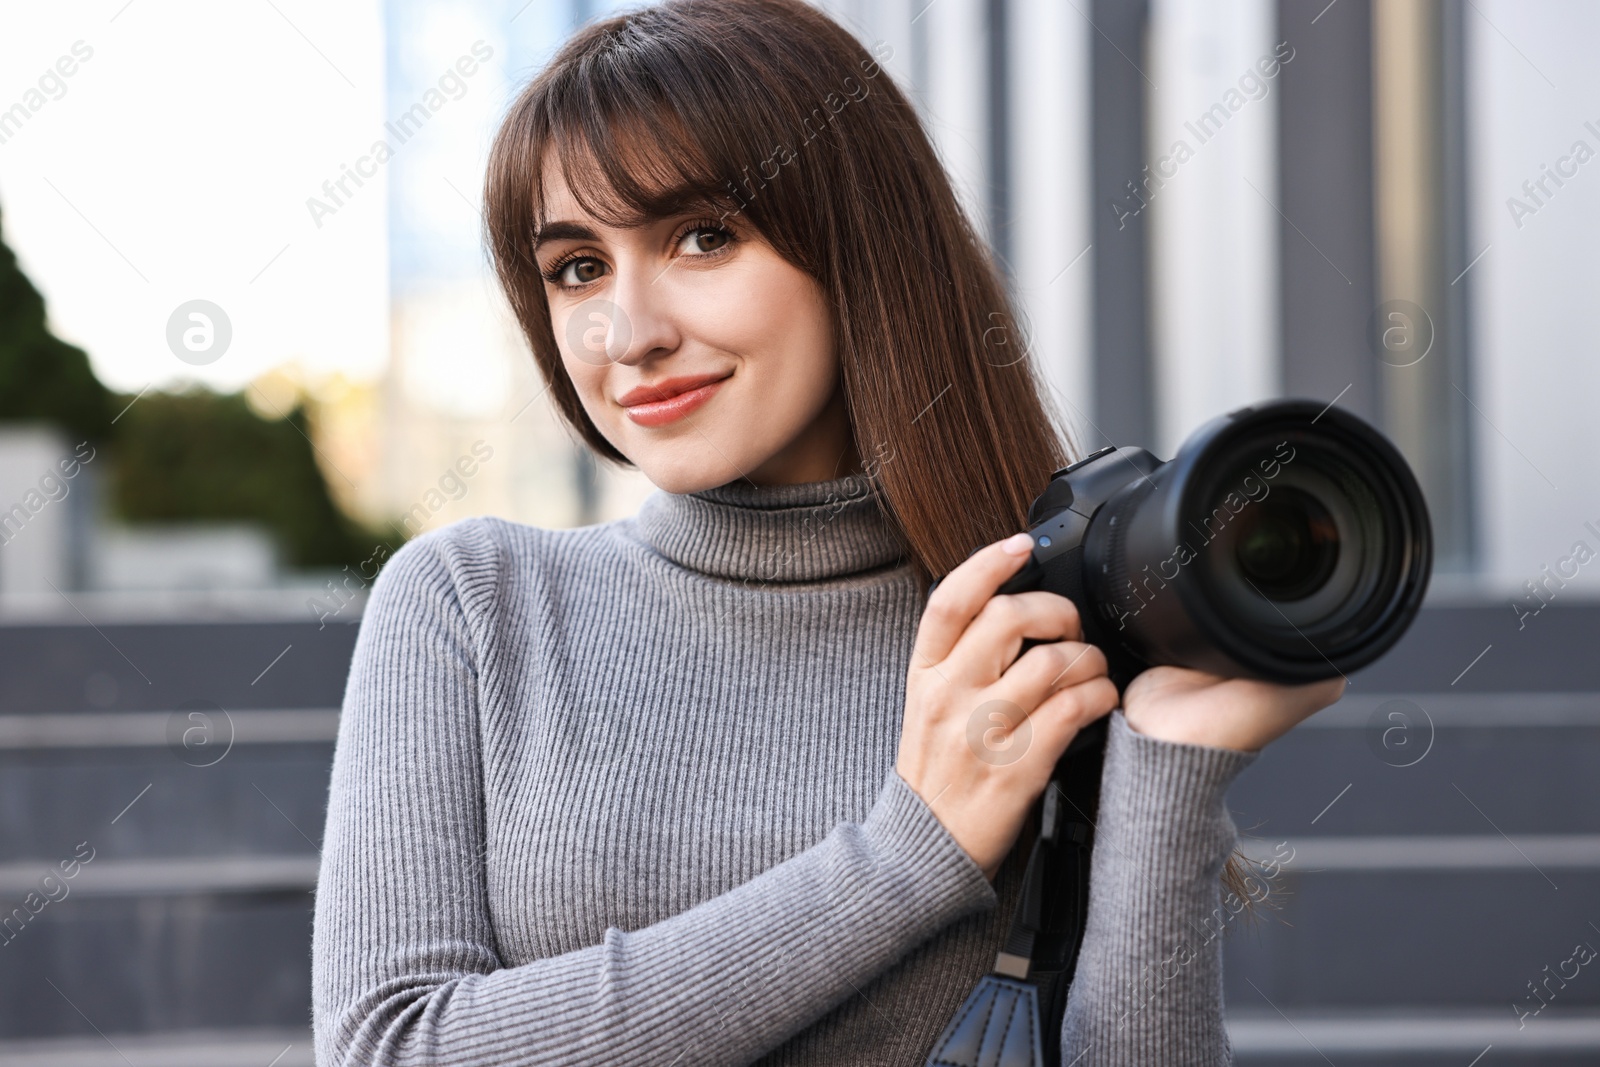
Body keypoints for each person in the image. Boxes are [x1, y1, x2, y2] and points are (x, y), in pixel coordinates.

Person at [310, 1, 1343, 1063]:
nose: (629, 332)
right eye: (577, 267)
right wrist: (909, 852)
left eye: (702, 237)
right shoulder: (474, 602)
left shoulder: (1039, 637)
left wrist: (1170, 763)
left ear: (862, 247)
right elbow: (396, 1046)